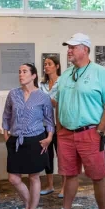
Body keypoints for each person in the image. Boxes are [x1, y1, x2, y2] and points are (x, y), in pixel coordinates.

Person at [44, 33, 105, 209]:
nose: (68, 50)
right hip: (66, 134)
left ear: (85, 49)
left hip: (90, 132)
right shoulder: (67, 74)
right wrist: (59, 129)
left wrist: (100, 131)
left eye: (72, 47)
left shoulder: (100, 72)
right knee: (69, 174)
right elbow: (56, 102)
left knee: (97, 177)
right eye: (68, 47)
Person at [2, 63, 55, 209]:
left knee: (33, 177)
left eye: (24, 71)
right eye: (19, 72)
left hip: (35, 140)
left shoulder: (43, 97)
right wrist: (6, 137)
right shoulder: (13, 94)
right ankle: (27, 206)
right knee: (14, 178)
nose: (21, 74)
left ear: (33, 76)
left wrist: (49, 138)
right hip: (16, 140)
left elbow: (49, 120)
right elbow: (6, 116)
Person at [39, 55, 66, 198]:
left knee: (62, 155)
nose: (46, 66)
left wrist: (51, 101)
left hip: (60, 124)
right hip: (45, 124)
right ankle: (49, 185)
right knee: (47, 155)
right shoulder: (41, 84)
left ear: (57, 66)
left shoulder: (63, 82)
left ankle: (64, 187)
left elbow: (62, 102)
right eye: (45, 64)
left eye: (49, 64)